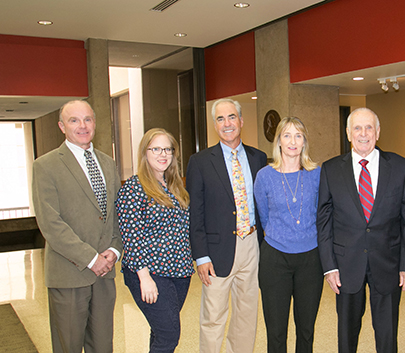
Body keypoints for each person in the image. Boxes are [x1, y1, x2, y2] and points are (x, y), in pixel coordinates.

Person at [317, 107, 405, 353]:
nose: (364, 134)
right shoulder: (330, 169)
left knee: (387, 334)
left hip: (389, 263)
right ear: (348, 133)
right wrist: (329, 266)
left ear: (378, 131)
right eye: (357, 128)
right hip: (346, 265)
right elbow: (323, 221)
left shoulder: (401, 167)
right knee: (347, 335)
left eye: (369, 127)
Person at [31, 100, 122, 353]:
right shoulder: (45, 166)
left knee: (103, 346)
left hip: (105, 275)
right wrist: (91, 258)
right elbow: (50, 223)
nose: (82, 126)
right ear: (62, 126)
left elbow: (117, 214)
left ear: (95, 123)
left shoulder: (107, 163)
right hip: (69, 274)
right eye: (74, 120)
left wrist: (114, 251)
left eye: (88, 119)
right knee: (68, 346)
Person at [186, 98, 267, 353]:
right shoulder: (199, 162)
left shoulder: (258, 158)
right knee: (213, 317)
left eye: (231, 117)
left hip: (252, 244)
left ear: (241, 121)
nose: (227, 123)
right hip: (216, 249)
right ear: (214, 125)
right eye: (220, 119)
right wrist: (200, 256)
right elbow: (194, 213)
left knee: (246, 314)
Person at [116, 128, 193, 352]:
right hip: (151, 273)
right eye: (156, 149)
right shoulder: (134, 188)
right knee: (169, 335)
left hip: (179, 273)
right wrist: (144, 277)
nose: (163, 154)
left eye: (168, 149)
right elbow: (131, 235)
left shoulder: (176, 187)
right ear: (145, 153)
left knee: (160, 331)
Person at [254, 117, 324, 353]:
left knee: (306, 330)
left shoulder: (317, 174)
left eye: (298, 135)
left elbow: (322, 214)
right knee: (276, 331)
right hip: (275, 259)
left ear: (304, 141)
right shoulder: (264, 176)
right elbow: (264, 216)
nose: (292, 141)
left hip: (310, 260)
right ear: (279, 141)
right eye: (287, 135)